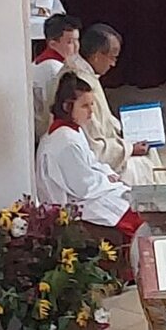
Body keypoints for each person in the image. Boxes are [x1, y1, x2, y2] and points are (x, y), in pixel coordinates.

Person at [35, 72, 144, 239]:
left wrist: (108, 173)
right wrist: (109, 181)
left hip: (88, 193)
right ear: (67, 107)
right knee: (134, 220)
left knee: (134, 201)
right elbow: (83, 187)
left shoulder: (73, 130)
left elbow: (91, 161)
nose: (91, 112)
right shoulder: (65, 142)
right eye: (85, 106)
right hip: (75, 205)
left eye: (92, 105)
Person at [62, 23, 163, 186]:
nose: (113, 64)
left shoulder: (83, 72)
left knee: (150, 148)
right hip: (92, 165)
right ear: (96, 55)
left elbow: (105, 122)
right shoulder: (81, 86)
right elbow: (93, 146)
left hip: (107, 148)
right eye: (112, 57)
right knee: (143, 167)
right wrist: (129, 148)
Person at [31, 14, 81, 139]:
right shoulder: (56, 70)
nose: (76, 47)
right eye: (70, 42)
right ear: (53, 44)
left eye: (77, 40)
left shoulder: (39, 62)